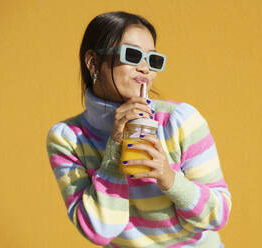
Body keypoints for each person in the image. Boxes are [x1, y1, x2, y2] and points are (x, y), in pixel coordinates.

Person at [46, 11, 232, 247]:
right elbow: (98, 231)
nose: (145, 69)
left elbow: (218, 214)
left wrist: (169, 178)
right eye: (133, 55)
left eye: (153, 60)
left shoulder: (178, 121)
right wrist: (115, 148)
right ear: (93, 61)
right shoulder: (68, 138)